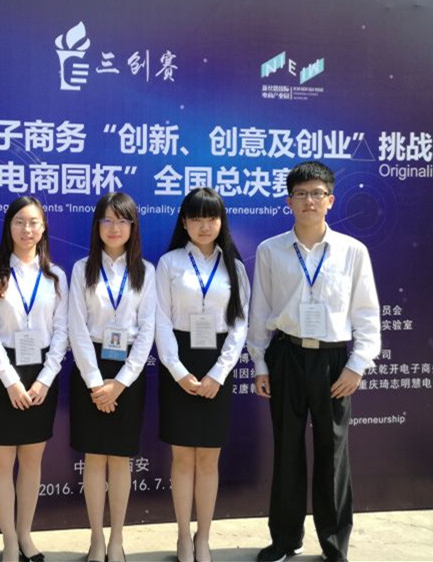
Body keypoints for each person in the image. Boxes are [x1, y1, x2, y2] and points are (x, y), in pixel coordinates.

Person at [247, 161, 380, 562]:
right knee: (287, 450)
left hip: (334, 362)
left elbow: (366, 313)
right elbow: (260, 310)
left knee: (333, 454)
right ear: (289, 201)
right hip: (286, 355)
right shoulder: (270, 250)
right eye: (301, 194)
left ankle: (334, 543)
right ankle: (285, 539)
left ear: (330, 201)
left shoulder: (352, 251)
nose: (309, 200)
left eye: (317, 193)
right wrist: (260, 364)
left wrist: (357, 365)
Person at [155, 187, 250, 562]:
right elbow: (161, 321)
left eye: (211, 217)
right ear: (184, 223)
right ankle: (183, 536)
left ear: (221, 221)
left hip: (217, 365)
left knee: (209, 459)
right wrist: (178, 371)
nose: (204, 225)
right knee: (182, 458)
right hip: (178, 363)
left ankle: (204, 538)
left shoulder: (235, 267)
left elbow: (239, 325)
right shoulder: (169, 263)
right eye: (196, 218)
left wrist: (219, 374)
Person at [0, 196, 69, 562]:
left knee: (32, 462)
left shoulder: (55, 276)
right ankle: (10, 542)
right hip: (4, 375)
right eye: (19, 222)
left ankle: (26, 535)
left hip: (41, 374)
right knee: (1, 463)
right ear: (9, 227)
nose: (26, 229)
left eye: (33, 222)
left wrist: (44, 379)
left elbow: (61, 333)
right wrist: (11, 382)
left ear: (43, 228)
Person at [68, 192, 156, 562]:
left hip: (128, 375)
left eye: (122, 220)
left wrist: (120, 383)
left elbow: (147, 330)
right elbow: (76, 327)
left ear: (133, 227)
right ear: (97, 226)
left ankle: (117, 539)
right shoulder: (81, 269)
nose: (114, 227)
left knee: (120, 459)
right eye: (107, 220)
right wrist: (95, 382)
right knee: (94, 458)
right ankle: (96, 540)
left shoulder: (146, 271)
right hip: (90, 369)